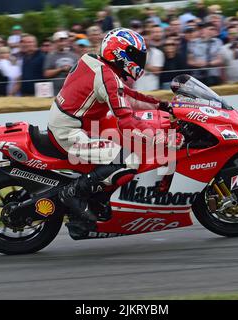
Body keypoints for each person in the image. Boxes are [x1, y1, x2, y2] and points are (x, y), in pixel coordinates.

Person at [47, 28, 183, 236]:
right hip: (70, 131)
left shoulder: (96, 62)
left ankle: (101, 197)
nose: (140, 61)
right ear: (120, 54)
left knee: (125, 141)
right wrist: (163, 139)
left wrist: (163, 106)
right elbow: (127, 120)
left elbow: (127, 96)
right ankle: (71, 194)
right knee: (127, 161)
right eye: (136, 56)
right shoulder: (106, 77)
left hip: (80, 122)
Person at [43, 31, 79, 95]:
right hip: (56, 92)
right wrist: (61, 69)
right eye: (60, 41)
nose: (62, 43)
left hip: (72, 90)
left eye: (64, 41)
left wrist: (71, 69)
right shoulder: (50, 56)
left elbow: (79, 73)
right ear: (55, 43)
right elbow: (46, 74)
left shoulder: (74, 56)